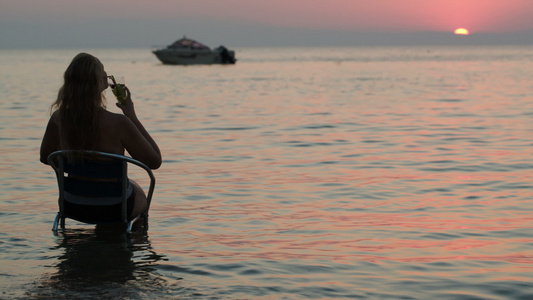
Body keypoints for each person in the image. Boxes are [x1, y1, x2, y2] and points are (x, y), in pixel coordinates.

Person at [40, 52, 161, 219]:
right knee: (136, 189)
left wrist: (80, 168)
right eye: (102, 70)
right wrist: (131, 116)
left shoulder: (58, 119)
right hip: (115, 208)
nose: (107, 73)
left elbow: (45, 157)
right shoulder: (119, 123)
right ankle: (127, 244)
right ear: (99, 82)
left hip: (73, 205)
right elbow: (154, 161)